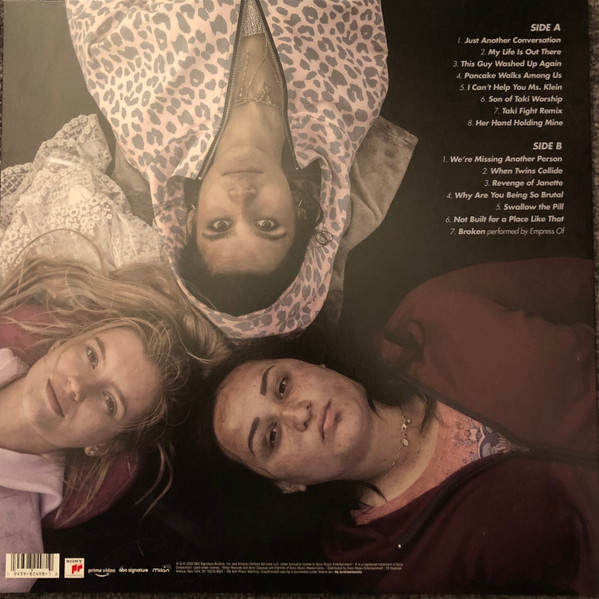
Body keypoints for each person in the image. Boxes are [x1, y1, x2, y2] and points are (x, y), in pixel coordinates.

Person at [207, 258, 599, 594]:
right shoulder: (395, 576)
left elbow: (581, 282)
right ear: (286, 484)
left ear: (313, 364)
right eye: (271, 437)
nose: (299, 413)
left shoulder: (429, 314)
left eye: (282, 386)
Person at [66, 0, 416, 337]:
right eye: (267, 224)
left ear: (191, 219)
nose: (242, 197)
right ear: (299, 211)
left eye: (219, 225)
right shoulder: (354, 97)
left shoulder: (143, 123)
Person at [0, 254, 227, 592]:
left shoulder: (13, 559)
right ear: (62, 343)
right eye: (91, 355)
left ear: (103, 444)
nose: (78, 387)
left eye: (109, 402)